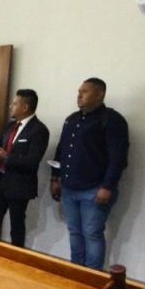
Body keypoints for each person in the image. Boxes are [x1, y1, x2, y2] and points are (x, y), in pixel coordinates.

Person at [49, 77, 129, 270]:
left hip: (94, 189)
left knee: (92, 233)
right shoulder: (72, 119)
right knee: (74, 232)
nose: (79, 96)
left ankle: (92, 276)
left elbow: (118, 158)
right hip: (69, 187)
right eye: (79, 92)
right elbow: (61, 150)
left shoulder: (112, 120)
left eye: (84, 92)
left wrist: (107, 186)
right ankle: (77, 271)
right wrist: (55, 178)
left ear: (99, 94)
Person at [0, 89, 50, 248]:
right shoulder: (10, 126)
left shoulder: (39, 130)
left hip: (20, 185)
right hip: (1, 182)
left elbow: (32, 161)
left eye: (14, 103)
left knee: (17, 224)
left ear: (25, 107)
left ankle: (16, 256)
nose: (10, 106)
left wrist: (7, 157)